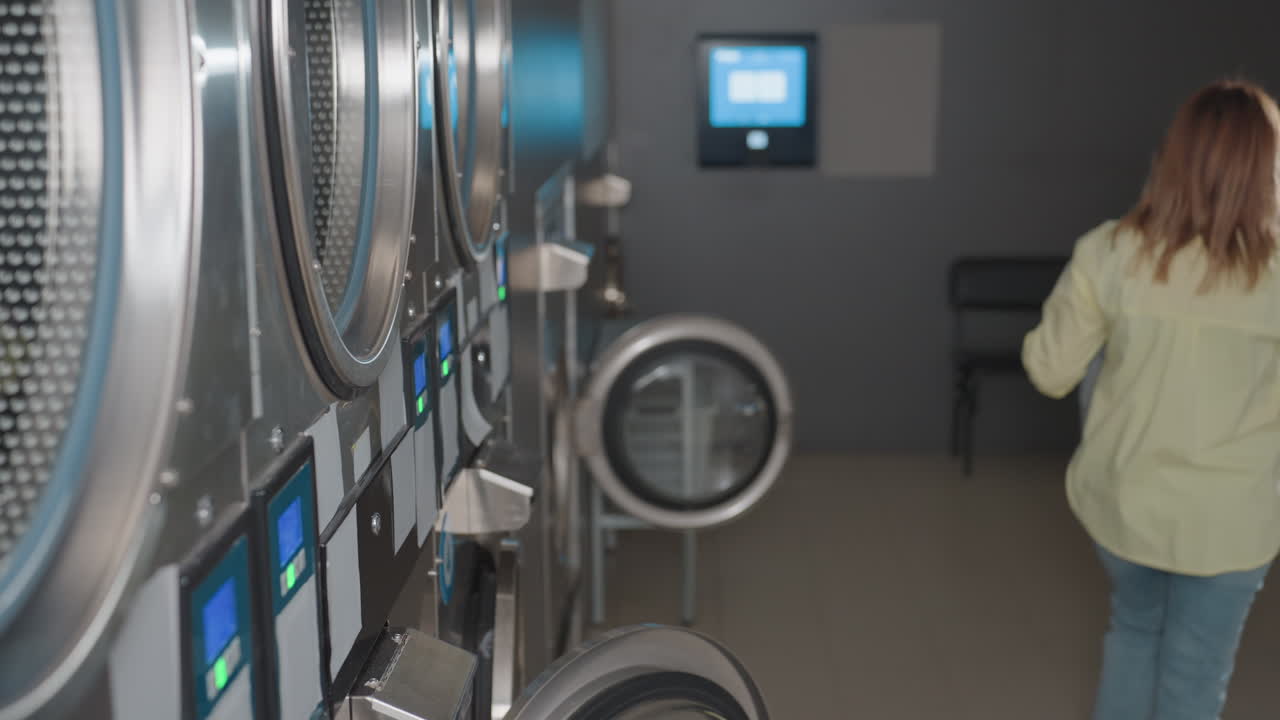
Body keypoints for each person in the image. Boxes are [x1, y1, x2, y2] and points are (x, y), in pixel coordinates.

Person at [1023, 79, 1280, 720]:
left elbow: (1050, 371)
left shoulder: (1110, 251)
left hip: (1126, 509)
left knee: (1134, 638)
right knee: (1196, 675)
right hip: (1232, 525)